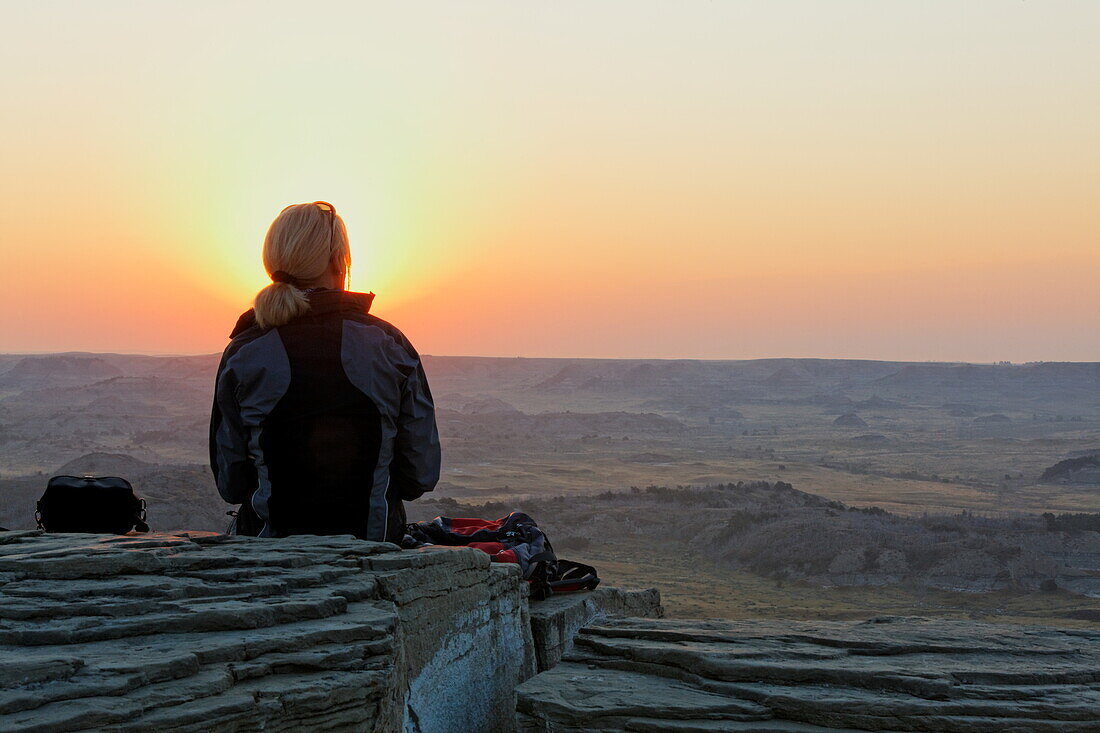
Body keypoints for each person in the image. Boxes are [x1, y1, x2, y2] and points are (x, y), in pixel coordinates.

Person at [209, 201, 440, 542]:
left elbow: (230, 483)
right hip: (373, 546)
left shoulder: (244, 351)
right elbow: (421, 474)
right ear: (338, 259)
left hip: (269, 550)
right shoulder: (389, 344)